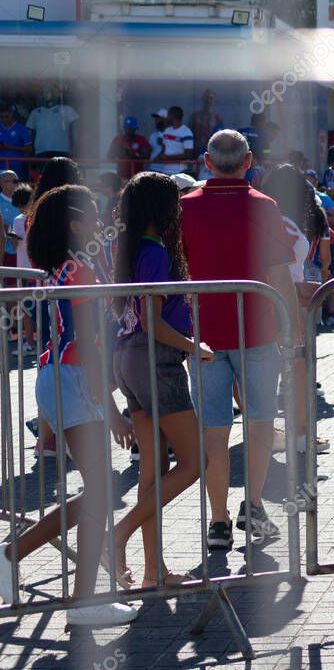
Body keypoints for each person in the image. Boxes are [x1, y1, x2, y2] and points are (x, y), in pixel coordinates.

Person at [0, 184, 138, 626]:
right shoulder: (78, 270)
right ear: (77, 224)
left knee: (97, 492)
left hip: (63, 378)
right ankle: (74, 597)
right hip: (73, 379)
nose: (101, 221)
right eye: (94, 215)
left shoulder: (67, 267)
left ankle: (20, 563)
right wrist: (114, 408)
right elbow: (85, 341)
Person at [180, 129, 300, 549]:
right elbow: (280, 276)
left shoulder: (184, 208)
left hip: (203, 336)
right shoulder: (264, 207)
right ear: (249, 160)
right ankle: (252, 504)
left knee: (214, 430)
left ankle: (218, 521)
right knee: (260, 421)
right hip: (257, 329)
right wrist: (296, 330)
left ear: (206, 162)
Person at [107, 172, 211, 589]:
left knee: (153, 473)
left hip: (129, 360)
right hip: (155, 362)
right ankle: (118, 535)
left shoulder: (131, 249)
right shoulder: (155, 253)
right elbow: (152, 322)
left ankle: (154, 572)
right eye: (176, 203)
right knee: (193, 462)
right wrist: (193, 347)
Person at [260, 164, 331, 455]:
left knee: (276, 375)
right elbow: (282, 273)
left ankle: (280, 434)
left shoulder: (273, 218)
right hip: (285, 306)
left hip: (275, 303)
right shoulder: (283, 222)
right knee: (298, 373)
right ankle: (300, 436)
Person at [9, 183, 35, 356]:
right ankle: (36, 341)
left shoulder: (18, 220)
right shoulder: (40, 216)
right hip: (38, 269)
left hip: (23, 269)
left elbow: (14, 244)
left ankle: (30, 343)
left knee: (25, 309)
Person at [26, 84, 77, 158]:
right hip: (41, 151)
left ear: (58, 94)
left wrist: (75, 147)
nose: (46, 93)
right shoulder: (35, 112)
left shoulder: (67, 110)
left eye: (50, 91)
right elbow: (29, 134)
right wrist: (30, 151)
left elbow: (76, 132)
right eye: (44, 91)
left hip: (62, 150)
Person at [150, 107, 194, 176]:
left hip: (180, 172)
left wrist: (168, 157)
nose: (166, 118)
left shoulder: (187, 132)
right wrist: (158, 157)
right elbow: (164, 149)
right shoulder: (167, 131)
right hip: (165, 171)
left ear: (172, 116)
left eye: (168, 115)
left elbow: (188, 155)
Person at [187, 89, 224, 156]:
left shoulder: (217, 118)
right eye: (207, 98)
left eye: (211, 98)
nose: (209, 100)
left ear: (214, 100)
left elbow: (220, 137)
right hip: (196, 151)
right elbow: (189, 133)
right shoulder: (195, 116)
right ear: (203, 99)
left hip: (211, 151)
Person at [0, 106, 33, 179]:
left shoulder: (22, 129)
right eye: (1, 117)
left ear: (11, 114)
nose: (4, 119)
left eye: (6, 116)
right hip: (0, 166)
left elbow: (29, 149)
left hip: (16, 167)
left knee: (15, 188)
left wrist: (10, 147)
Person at [0, 170, 16, 265]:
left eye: (16, 181)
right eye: (10, 181)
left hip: (22, 251)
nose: (15, 184)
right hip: (4, 252)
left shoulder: (26, 200)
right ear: (1, 184)